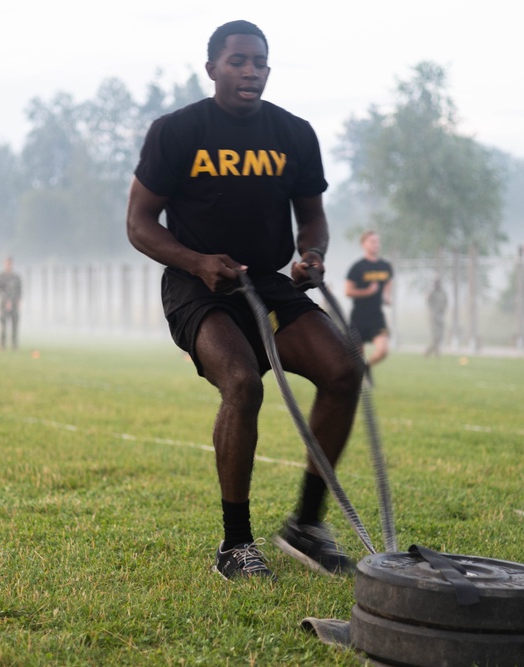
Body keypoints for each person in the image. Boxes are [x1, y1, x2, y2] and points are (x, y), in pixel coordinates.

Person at [126, 20, 362, 580]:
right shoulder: (176, 131)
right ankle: (236, 546)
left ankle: (306, 525)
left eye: (259, 61)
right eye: (237, 61)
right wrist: (197, 262)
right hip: (197, 285)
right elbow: (138, 223)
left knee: (345, 370)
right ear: (212, 68)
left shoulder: (295, 134)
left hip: (269, 283)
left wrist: (312, 255)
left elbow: (312, 217)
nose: (250, 70)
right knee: (241, 382)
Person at [345, 230, 394, 367]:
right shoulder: (357, 267)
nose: (376, 245)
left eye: (377, 242)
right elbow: (348, 291)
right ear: (363, 244)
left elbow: (388, 285)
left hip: (377, 318)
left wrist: (386, 296)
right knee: (357, 357)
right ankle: (358, 375)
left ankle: (366, 368)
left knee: (383, 350)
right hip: (359, 317)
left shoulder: (386, 267)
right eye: (372, 242)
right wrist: (368, 291)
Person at [0, 257, 23, 351]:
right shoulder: (1, 276)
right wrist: (6, 301)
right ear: (4, 264)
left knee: (15, 325)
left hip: (14, 304)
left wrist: (18, 300)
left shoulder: (16, 277)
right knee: (3, 326)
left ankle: (14, 346)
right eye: (7, 263)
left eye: (10, 264)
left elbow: (20, 290)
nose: (8, 265)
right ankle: (2, 345)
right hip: (3, 305)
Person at [424, 278, 447, 358]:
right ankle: (434, 352)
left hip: (440, 316)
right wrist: (431, 314)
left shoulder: (443, 293)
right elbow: (428, 303)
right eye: (436, 283)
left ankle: (430, 351)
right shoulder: (432, 293)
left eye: (438, 282)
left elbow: (445, 303)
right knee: (435, 336)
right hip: (433, 317)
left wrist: (443, 312)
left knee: (440, 336)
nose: (437, 284)